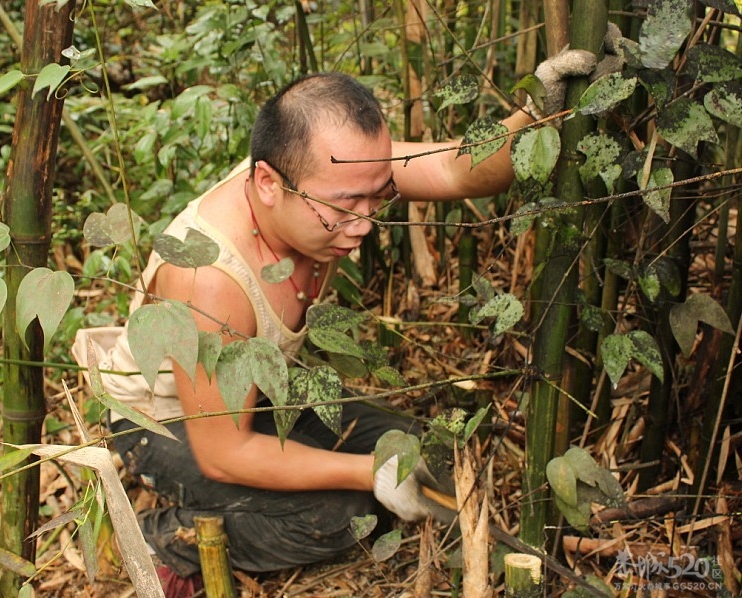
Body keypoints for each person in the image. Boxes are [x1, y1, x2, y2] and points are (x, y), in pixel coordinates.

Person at [73, 51, 601, 588]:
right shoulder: (209, 276)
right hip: (163, 424)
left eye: (377, 196)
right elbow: (224, 452)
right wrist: (368, 471)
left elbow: (452, 167)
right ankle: (155, 536)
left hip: (261, 393)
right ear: (267, 183)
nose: (365, 223)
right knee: (340, 514)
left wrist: (539, 113)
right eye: (347, 205)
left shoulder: (330, 172)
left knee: (419, 448)